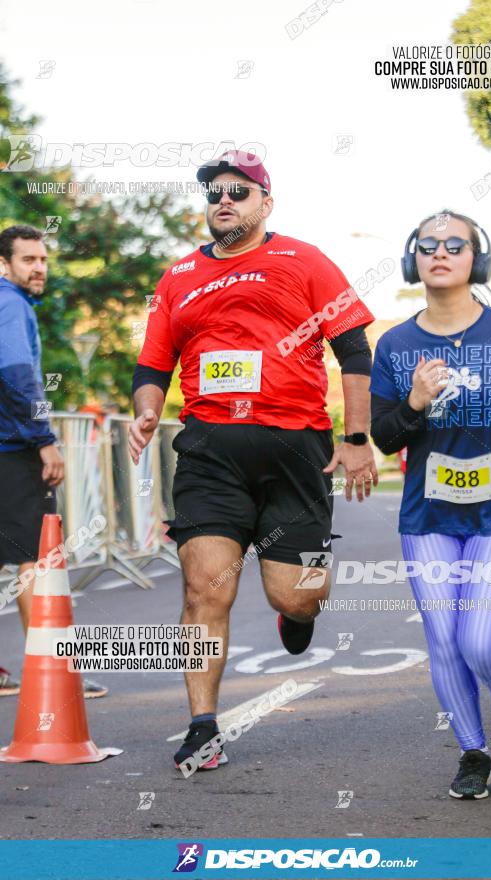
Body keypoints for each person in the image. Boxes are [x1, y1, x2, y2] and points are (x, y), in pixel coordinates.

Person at [129, 150, 378, 771]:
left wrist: (356, 438)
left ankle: (299, 617)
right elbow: (153, 364)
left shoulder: (305, 260)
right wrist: (145, 408)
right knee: (202, 589)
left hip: (298, 451)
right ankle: (202, 726)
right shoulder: (179, 276)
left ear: (266, 203)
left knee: (299, 598)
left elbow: (353, 349)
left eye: (239, 192)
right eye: (215, 192)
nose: (224, 200)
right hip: (211, 450)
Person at [370, 210, 491, 800]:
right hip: (427, 515)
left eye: (457, 244)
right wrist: (415, 403)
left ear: (478, 259)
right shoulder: (396, 345)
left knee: (481, 641)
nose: (441, 252)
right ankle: (473, 751)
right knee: (444, 640)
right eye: (428, 244)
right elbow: (384, 436)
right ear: (413, 259)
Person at [0, 225, 107, 699]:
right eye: (28, 260)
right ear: (5, 265)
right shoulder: (10, 303)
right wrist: (45, 438)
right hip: (13, 451)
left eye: (42, 259)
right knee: (35, 561)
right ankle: (52, 671)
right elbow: (18, 373)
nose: (39, 267)